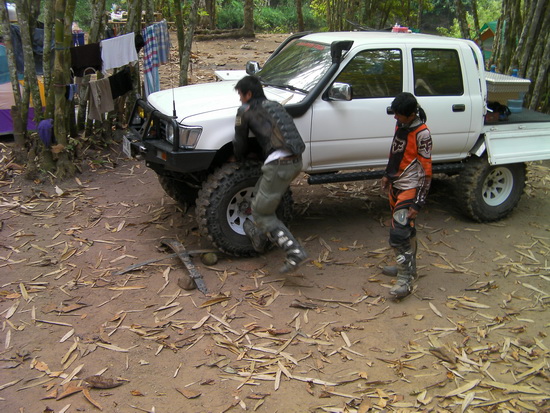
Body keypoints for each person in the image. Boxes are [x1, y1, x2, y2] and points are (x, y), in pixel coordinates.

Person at [233, 75, 308, 273]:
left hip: (279, 165)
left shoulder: (245, 110)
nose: (239, 99)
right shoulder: (275, 105)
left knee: (261, 212)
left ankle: (295, 252)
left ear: (248, 94)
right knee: (259, 196)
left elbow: (240, 142)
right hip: (296, 161)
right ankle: (259, 236)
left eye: (240, 94)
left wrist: (238, 159)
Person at [380, 92, 432, 298]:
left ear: (411, 115)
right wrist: (387, 174)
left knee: (399, 233)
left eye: (399, 114)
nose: (395, 117)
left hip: (410, 187)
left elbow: (426, 171)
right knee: (407, 230)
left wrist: (418, 203)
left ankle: (405, 280)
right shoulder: (400, 125)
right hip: (396, 185)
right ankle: (409, 267)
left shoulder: (422, 134)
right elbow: (395, 152)